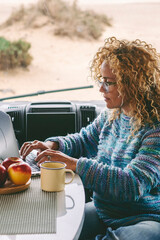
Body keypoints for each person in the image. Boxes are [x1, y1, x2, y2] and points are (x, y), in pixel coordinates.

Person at [20, 37, 160, 240]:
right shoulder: (112, 116)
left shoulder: (155, 129)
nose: (101, 89)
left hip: (144, 218)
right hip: (105, 211)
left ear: (133, 84)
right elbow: (83, 140)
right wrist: (53, 144)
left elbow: (132, 185)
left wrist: (75, 164)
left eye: (109, 83)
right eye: (101, 80)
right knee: (56, 229)